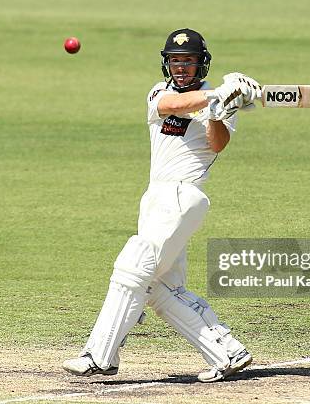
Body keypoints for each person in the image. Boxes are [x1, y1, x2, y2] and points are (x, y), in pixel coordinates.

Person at [62, 28, 259, 382]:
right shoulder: (160, 91)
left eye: (188, 61)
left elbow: (217, 145)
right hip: (155, 196)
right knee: (161, 290)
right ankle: (227, 351)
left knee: (133, 267)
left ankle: (99, 356)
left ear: (201, 63)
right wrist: (215, 94)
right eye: (175, 61)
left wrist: (217, 109)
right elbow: (169, 106)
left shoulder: (219, 105)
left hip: (184, 195)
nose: (181, 67)